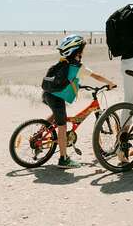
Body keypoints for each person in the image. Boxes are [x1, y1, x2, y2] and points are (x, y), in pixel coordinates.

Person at [42, 34, 116, 169]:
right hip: (56, 98)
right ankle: (63, 159)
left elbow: (66, 79)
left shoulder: (62, 62)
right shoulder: (78, 67)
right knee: (62, 126)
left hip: (47, 94)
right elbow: (96, 76)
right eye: (81, 50)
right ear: (76, 52)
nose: (82, 53)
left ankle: (40, 133)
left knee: (57, 116)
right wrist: (110, 83)